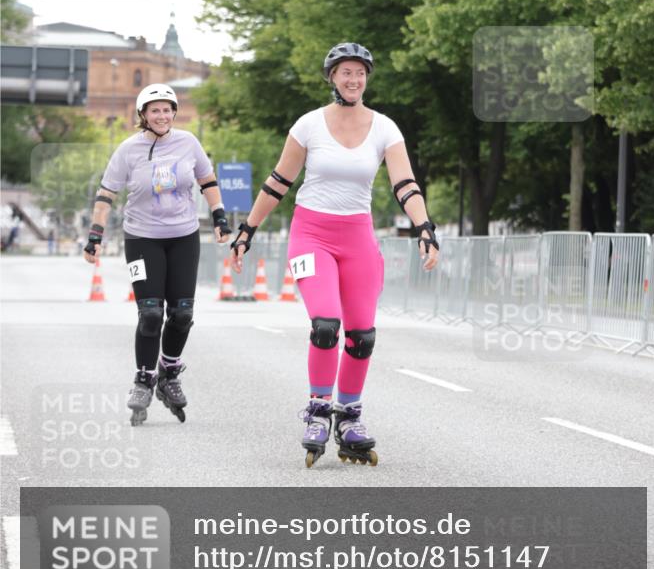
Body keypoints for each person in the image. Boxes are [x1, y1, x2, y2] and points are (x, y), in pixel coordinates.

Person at [230, 42, 439, 466]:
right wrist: (247, 230)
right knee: (326, 325)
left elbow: (405, 184)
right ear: (332, 77)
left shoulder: (385, 128)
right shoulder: (309, 125)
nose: (353, 79)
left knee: (362, 336)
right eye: (346, 72)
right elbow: (278, 182)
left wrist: (425, 227)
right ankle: (318, 410)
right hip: (312, 234)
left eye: (360, 72)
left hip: (358, 238)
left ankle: (349, 417)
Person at [83, 83, 232, 425]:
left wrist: (219, 217)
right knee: (150, 313)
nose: (162, 116)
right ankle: (143, 380)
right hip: (142, 239)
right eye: (155, 111)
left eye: (167, 109)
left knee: (182, 313)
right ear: (143, 115)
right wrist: (95, 235)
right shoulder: (128, 149)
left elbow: (208, 181)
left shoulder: (188, 143)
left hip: (184, 237)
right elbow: (106, 194)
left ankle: (169, 373)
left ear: (174, 112)